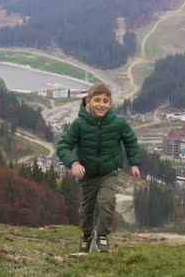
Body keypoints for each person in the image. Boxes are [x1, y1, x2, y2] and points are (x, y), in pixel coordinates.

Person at [57, 83, 140, 254]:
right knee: (87, 209)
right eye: (97, 100)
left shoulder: (118, 123)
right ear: (88, 101)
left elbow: (130, 141)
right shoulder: (79, 124)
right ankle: (87, 235)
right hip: (87, 174)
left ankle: (102, 236)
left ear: (110, 103)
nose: (101, 104)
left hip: (109, 171)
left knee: (106, 201)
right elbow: (63, 146)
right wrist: (74, 163)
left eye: (105, 101)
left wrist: (134, 163)